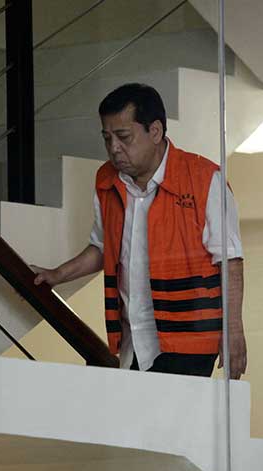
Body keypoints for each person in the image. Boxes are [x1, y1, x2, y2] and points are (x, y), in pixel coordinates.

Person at [33, 83, 247, 379]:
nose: (114, 148)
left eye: (123, 137)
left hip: (190, 339)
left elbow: (230, 260)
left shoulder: (205, 179)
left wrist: (233, 330)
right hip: (132, 340)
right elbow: (103, 248)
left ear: (155, 131)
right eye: (107, 138)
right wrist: (58, 275)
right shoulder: (106, 181)